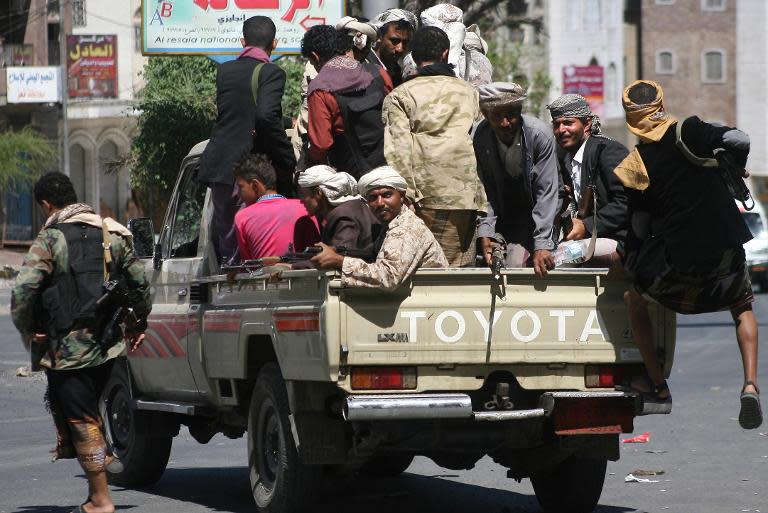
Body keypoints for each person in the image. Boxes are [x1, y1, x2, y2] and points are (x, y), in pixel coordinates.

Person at [616, 80, 761, 429]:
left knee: (634, 301)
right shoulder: (690, 130)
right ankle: (751, 384)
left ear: (631, 118)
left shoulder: (634, 164)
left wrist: (631, 262)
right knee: (742, 305)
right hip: (724, 247)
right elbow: (739, 140)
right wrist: (734, 164)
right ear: (661, 104)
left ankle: (657, 386)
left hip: (680, 263)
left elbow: (637, 225)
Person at [11, 172, 151, 513]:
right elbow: (140, 286)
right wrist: (136, 325)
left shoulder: (51, 239)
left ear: (47, 205)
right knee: (91, 415)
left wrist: (31, 332)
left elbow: (21, 294)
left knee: (82, 420)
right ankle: (95, 494)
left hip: (68, 352)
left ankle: (102, 500)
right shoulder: (111, 233)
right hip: (108, 347)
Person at [382, 26, 486, 267]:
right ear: (446, 53)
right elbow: (479, 141)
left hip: (424, 197)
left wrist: (406, 197)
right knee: (458, 269)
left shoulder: (400, 95)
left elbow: (397, 152)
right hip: (465, 196)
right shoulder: (470, 93)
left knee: (426, 271)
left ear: (413, 56)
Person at [198, 16, 296, 264]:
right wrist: (288, 157)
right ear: (275, 43)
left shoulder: (225, 71)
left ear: (243, 42)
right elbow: (264, 117)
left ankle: (231, 287)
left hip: (220, 165)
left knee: (230, 243)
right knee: (254, 246)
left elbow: (239, 113)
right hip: (248, 170)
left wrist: (284, 122)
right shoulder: (272, 73)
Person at [311, 166, 448, 290]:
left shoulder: (407, 229)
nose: (380, 203)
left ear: (401, 196)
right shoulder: (392, 224)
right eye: (373, 197)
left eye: (387, 195)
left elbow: (389, 277)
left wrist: (339, 260)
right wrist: (340, 252)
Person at [473, 82, 559, 276]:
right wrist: (486, 231)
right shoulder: (480, 136)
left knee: (526, 265)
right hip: (504, 211)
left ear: (520, 111)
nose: (505, 123)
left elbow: (546, 191)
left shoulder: (539, 135)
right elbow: (485, 188)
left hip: (538, 212)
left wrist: (542, 244)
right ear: (486, 115)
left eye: (511, 114)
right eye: (497, 116)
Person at [548, 93, 630, 265]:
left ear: (586, 124)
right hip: (585, 239)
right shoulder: (563, 158)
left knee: (559, 257)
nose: (561, 129)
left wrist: (585, 225)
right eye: (557, 124)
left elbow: (625, 204)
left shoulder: (608, 151)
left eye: (568, 123)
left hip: (619, 240)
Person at [302, 25, 393, 177]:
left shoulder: (319, 88)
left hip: (351, 175)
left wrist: (309, 158)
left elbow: (321, 144)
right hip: (389, 166)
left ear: (315, 57)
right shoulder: (378, 72)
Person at [233, 154, 319, 261]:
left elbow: (248, 265)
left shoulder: (242, 217)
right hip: (308, 275)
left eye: (240, 187)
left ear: (255, 185)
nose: (238, 194)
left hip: (262, 277)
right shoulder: (304, 207)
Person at [297, 165, 380, 258]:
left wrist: (293, 267)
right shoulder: (356, 206)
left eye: (303, 194)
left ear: (318, 193)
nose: (301, 200)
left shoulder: (342, 215)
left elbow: (337, 257)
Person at [370, 8, 417, 86]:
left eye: (405, 42)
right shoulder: (364, 67)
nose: (400, 49)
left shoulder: (396, 71)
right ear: (379, 36)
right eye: (394, 41)